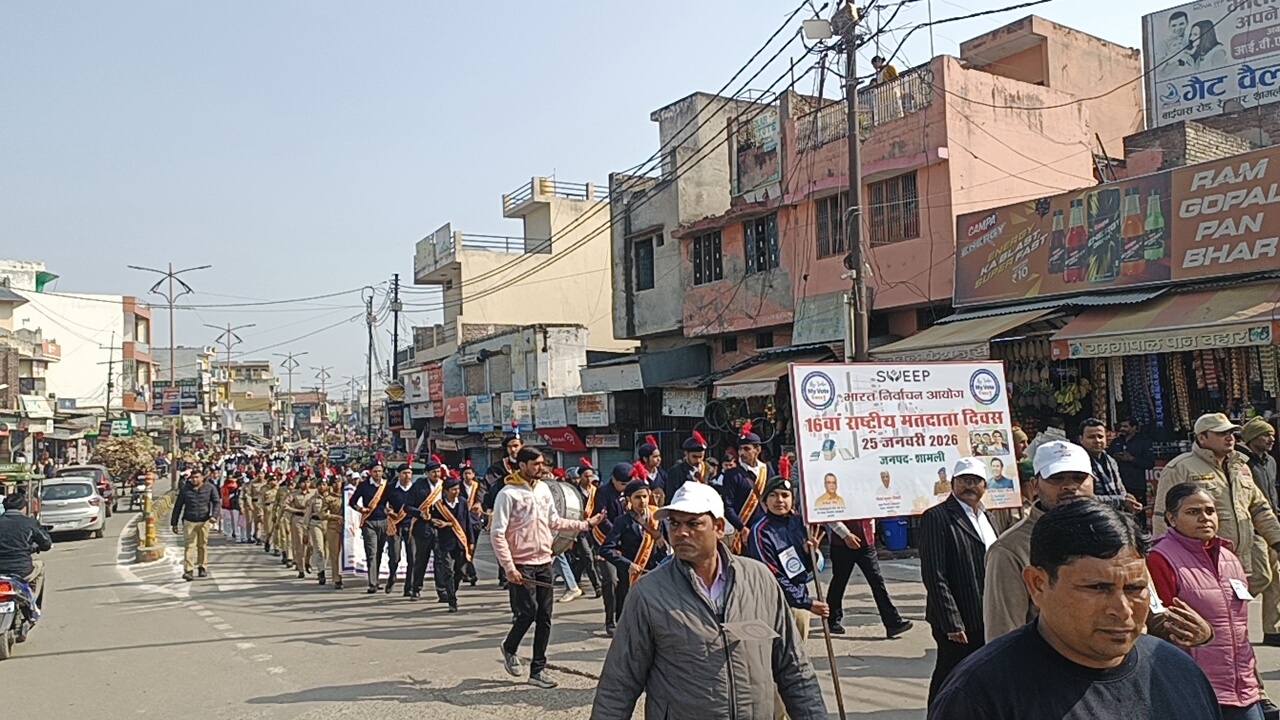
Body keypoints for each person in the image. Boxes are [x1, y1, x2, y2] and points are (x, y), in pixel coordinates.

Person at [928, 500, 1222, 720]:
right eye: (1097, 588)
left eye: (1134, 589)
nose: (1121, 611)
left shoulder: (1179, 673)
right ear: (1038, 585)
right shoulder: (981, 695)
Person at [591, 482, 827, 719]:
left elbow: (794, 669)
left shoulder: (759, 580)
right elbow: (618, 684)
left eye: (693, 523)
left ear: (719, 527)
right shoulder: (648, 594)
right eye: (674, 523)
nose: (681, 532)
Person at [490, 447, 604, 689]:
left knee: (545, 618)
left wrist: (585, 524)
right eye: (535, 464)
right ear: (522, 466)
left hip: (545, 560)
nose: (541, 468)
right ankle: (510, 647)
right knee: (528, 613)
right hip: (521, 564)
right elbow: (497, 534)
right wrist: (509, 567)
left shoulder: (543, 489)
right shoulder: (508, 494)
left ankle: (537, 670)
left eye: (542, 463)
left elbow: (555, 521)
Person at [1149, 483, 1263, 720]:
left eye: (1210, 511)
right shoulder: (1161, 558)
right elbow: (1160, 626)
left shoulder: (1229, 558)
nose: (1205, 518)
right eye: (1193, 512)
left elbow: (1239, 628)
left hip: (1243, 688)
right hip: (1193, 686)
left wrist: (1253, 677)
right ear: (1171, 518)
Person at [1156, 414, 1280, 623]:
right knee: (1211, 613)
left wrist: (1276, 539)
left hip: (1239, 556)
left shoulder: (1240, 467)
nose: (1230, 437)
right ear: (1202, 438)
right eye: (1222, 433)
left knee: (1249, 592)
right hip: (1201, 557)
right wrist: (1163, 556)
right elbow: (1162, 514)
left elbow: (1259, 508)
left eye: (1232, 433)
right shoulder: (1180, 468)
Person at [919, 457, 997, 705]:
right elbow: (934, 574)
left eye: (975, 481)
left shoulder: (989, 517)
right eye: (964, 480)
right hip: (958, 619)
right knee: (949, 676)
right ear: (953, 483)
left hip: (987, 614)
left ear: (985, 485)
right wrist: (951, 621)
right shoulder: (937, 517)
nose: (969, 486)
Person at [825, 512, 911, 637]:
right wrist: (845, 535)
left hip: (867, 543)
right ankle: (832, 619)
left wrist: (871, 532)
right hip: (842, 544)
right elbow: (830, 514)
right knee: (839, 581)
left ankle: (893, 623)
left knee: (877, 582)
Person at [599, 477, 667, 614]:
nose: (642, 501)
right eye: (637, 497)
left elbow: (669, 544)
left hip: (655, 574)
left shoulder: (658, 518)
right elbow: (605, 549)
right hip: (631, 576)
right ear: (629, 499)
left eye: (644, 496)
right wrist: (627, 565)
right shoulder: (622, 522)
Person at [589, 461, 631, 636]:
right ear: (613, 479)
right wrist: (617, 534)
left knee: (624, 583)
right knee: (611, 581)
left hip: (626, 542)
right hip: (606, 540)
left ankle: (622, 618)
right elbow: (602, 517)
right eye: (622, 484)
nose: (624, 487)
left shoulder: (631, 491)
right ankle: (610, 621)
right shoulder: (603, 492)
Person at [718, 421, 773, 554]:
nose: (742, 453)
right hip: (745, 532)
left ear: (757, 450)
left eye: (747, 449)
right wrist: (742, 528)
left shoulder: (768, 469)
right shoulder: (732, 474)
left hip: (766, 529)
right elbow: (728, 506)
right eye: (740, 449)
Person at [1078, 418, 1143, 513]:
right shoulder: (1078, 462)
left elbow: (1120, 489)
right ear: (1081, 439)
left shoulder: (1110, 460)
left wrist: (1128, 498)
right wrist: (1121, 501)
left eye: (1100, 436)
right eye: (1091, 437)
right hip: (1094, 517)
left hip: (1116, 516)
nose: (1097, 440)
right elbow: (1082, 498)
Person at [429, 473, 472, 613]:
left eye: (457, 489)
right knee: (448, 571)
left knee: (460, 571)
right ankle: (452, 601)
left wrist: (471, 541)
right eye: (453, 489)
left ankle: (452, 588)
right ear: (446, 491)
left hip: (460, 541)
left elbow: (467, 522)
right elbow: (433, 522)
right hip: (445, 542)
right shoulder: (438, 506)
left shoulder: (462, 502)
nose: (456, 491)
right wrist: (438, 523)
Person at [0, 493, 52, 603]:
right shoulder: (29, 523)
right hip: (23, 571)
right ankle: (33, 602)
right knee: (40, 566)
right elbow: (46, 544)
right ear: (24, 508)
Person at [348, 461, 391, 594]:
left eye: (380, 471)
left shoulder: (386, 485)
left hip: (383, 521)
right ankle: (372, 583)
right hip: (369, 523)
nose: (378, 474)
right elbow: (352, 502)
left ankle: (377, 579)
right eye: (375, 471)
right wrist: (361, 509)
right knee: (371, 552)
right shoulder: (364, 486)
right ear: (370, 472)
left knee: (379, 552)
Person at [170, 470, 220, 582]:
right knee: (189, 546)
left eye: (197, 477)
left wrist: (214, 516)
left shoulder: (210, 488)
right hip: (189, 521)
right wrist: (174, 523)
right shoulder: (185, 489)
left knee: (202, 545)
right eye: (193, 477)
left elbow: (216, 502)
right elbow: (178, 506)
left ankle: (202, 567)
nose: (194, 479)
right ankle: (188, 570)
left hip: (204, 521)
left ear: (202, 477)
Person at [1109, 419, 1156, 513]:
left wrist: (1131, 459)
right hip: (1118, 484)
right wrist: (1115, 458)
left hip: (1136, 484)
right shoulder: (1116, 441)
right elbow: (1108, 457)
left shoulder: (1143, 442)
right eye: (1121, 426)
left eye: (1126, 427)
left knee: (1137, 512)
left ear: (1134, 428)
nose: (1122, 429)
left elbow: (1150, 463)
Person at [285, 475, 315, 579]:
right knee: (300, 545)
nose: (306, 484)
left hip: (311, 520)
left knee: (311, 545)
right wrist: (297, 510)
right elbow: (285, 506)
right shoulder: (294, 494)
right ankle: (301, 568)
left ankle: (307, 562)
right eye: (304, 482)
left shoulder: (313, 493)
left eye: (308, 482)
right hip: (298, 520)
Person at [665, 430, 708, 500]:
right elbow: (670, 497)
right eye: (694, 457)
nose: (698, 460)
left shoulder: (707, 468)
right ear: (686, 453)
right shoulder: (676, 471)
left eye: (701, 457)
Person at [321, 474, 345, 589]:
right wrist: (335, 517)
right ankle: (337, 578)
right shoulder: (328, 498)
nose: (337, 484)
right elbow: (322, 514)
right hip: (333, 527)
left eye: (339, 481)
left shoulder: (347, 495)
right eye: (335, 482)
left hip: (348, 527)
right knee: (335, 554)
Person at [305, 478, 328, 585]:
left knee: (327, 550)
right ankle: (321, 571)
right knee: (319, 548)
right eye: (320, 485)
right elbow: (308, 514)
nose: (322, 487)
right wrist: (306, 529)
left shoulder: (331, 498)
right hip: (315, 524)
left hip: (328, 524)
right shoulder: (312, 499)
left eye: (324, 484)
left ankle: (323, 566)